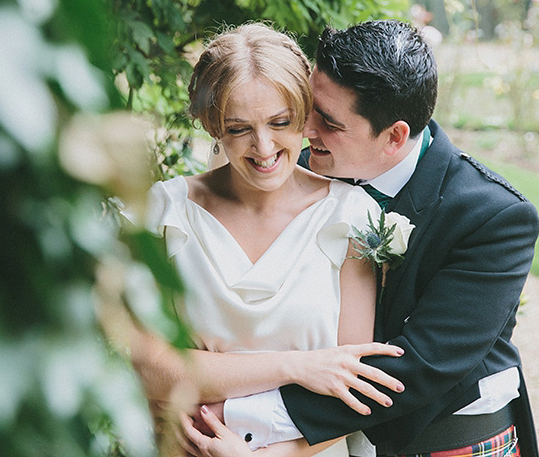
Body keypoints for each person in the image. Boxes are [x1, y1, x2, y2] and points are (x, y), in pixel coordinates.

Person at [185, 20, 539, 457]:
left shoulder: (492, 217)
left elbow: (417, 367)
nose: (305, 128)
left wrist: (244, 420)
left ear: (394, 137)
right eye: (307, 107)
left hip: (447, 442)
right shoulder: (290, 166)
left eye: (328, 121)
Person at [127, 22, 408, 457]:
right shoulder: (165, 212)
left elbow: (352, 387)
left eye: (280, 122)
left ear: (306, 114)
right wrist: (298, 367)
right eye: (239, 128)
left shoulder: (351, 217)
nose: (263, 147)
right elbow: (150, 368)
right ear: (213, 125)